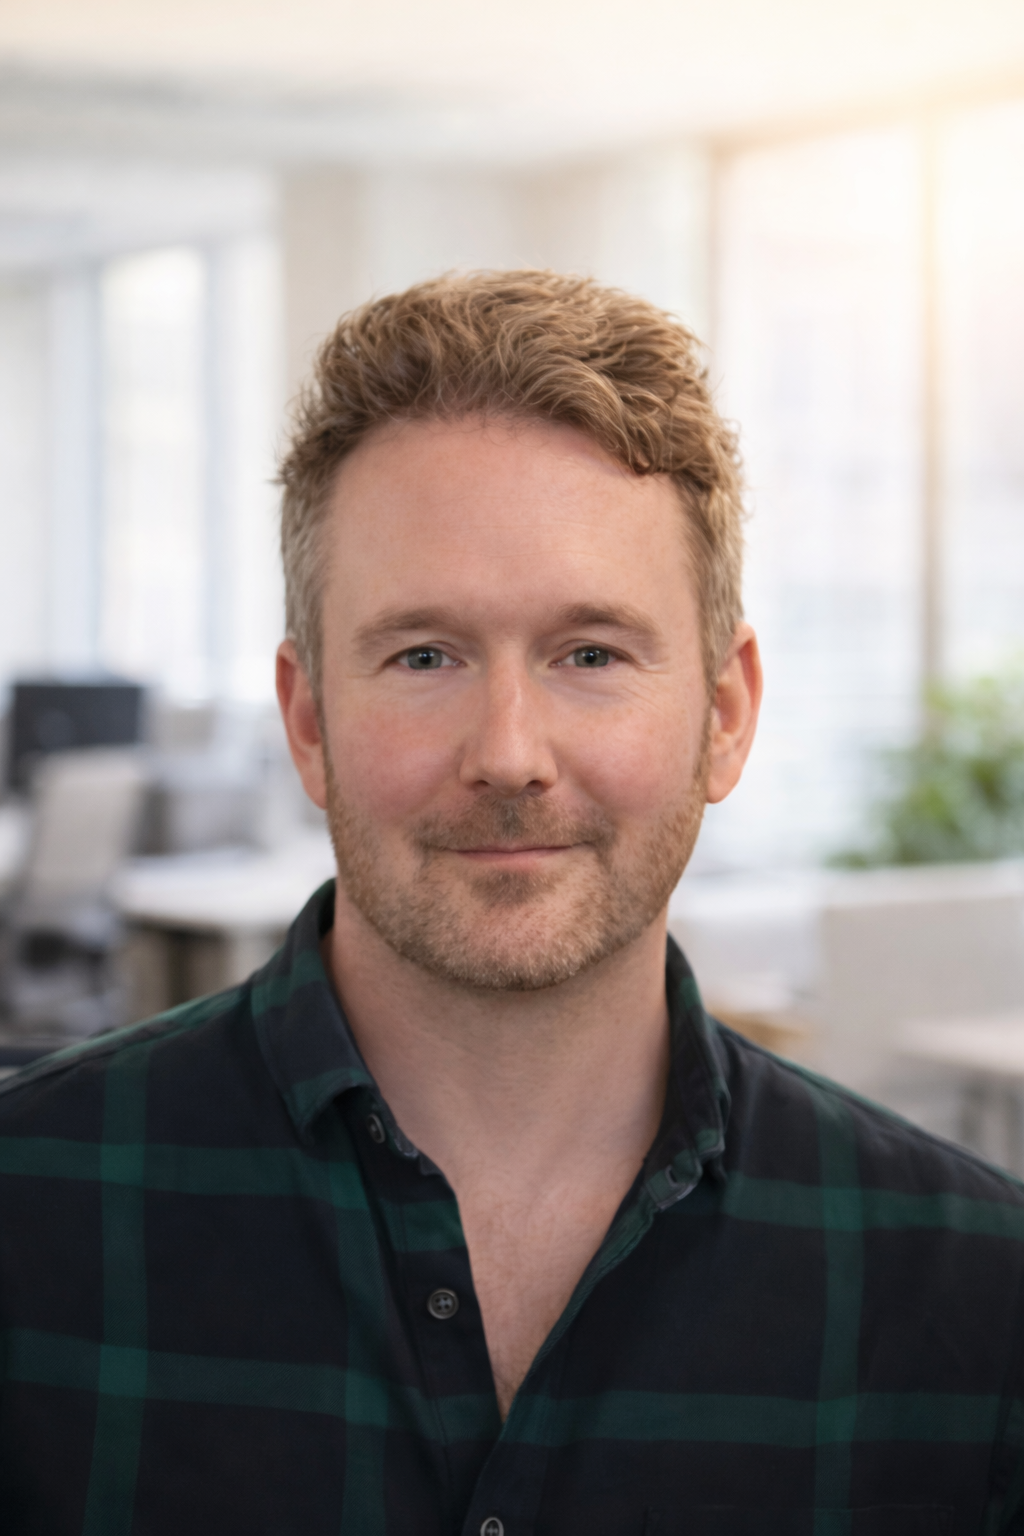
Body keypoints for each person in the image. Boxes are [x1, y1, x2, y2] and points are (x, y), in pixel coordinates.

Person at [0, 271, 1022, 1536]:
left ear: (723, 713)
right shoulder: (27, 1214)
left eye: (590, 654)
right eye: (423, 656)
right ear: (308, 720)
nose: (509, 753)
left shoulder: (979, 1295)